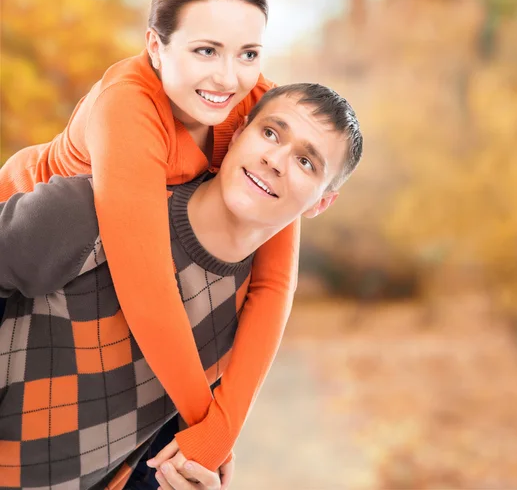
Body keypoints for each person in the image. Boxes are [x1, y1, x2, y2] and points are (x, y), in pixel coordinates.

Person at [0, 0, 296, 476]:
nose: (229, 77)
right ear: (156, 47)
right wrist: (205, 428)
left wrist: (222, 430)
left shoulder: (261, 111)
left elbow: (272, 284)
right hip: (23, 249)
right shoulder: (129, 105)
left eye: (248, 53)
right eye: (206, 50)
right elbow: (146, 285)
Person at [0, 83, 363, 490]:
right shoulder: (88, 212)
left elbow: (138, 453)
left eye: (306, 162)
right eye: (270, 133)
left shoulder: (243, 331)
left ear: (320, 204)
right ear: (238, 132)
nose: (275, 160)